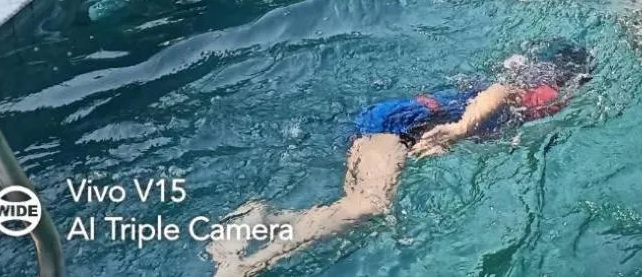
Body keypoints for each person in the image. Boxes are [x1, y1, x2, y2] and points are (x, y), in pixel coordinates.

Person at [208, 42, 593, 277]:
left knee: (353, 211)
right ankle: (251, 266)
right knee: (370, 206)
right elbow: (501, 90)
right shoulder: (543, 91)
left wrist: (457, 137)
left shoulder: (541, 92)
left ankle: (262, 219)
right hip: (396, 126)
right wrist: (459, 130)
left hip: (390, 122)